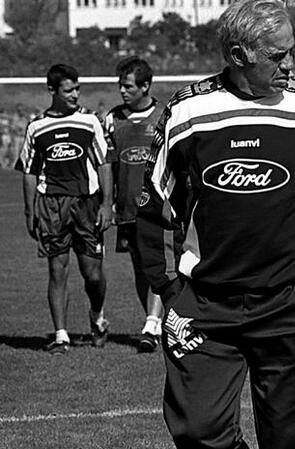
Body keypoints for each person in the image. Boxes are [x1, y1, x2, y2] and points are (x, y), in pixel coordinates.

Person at [136, 1, 295, 448]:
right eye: (277, 56)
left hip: (292, 303)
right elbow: (156, 207)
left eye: (291, 53)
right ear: (239, 54)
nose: (289, 65)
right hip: (206, 304)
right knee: (198, 430)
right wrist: (171, 289)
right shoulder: (188, 112)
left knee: (294, 441)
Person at [16, 64, 112, 354]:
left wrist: (107, 204)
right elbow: (30, 171)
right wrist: (30, 211)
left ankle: (97, 316)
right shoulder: (37, 126)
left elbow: (104, 163)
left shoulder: (89, 121)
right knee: (57, 270)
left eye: (77, 89)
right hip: (51, 204)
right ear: (52, 91)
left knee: (92, 273)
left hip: (86, 202)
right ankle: (61, 335)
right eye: (68, 90)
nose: (75, 94)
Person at [104, 56, 164, 353]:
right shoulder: (113, 119)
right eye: (120, 86)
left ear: (146, 86)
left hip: (158, 208)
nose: (123, 91)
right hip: (127, 208)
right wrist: (108, 203)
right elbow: (109, 165)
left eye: (128, 86)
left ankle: (152, 324)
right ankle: (152, 322)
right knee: (140, 268)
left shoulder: (165, 116)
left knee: (160, 266)